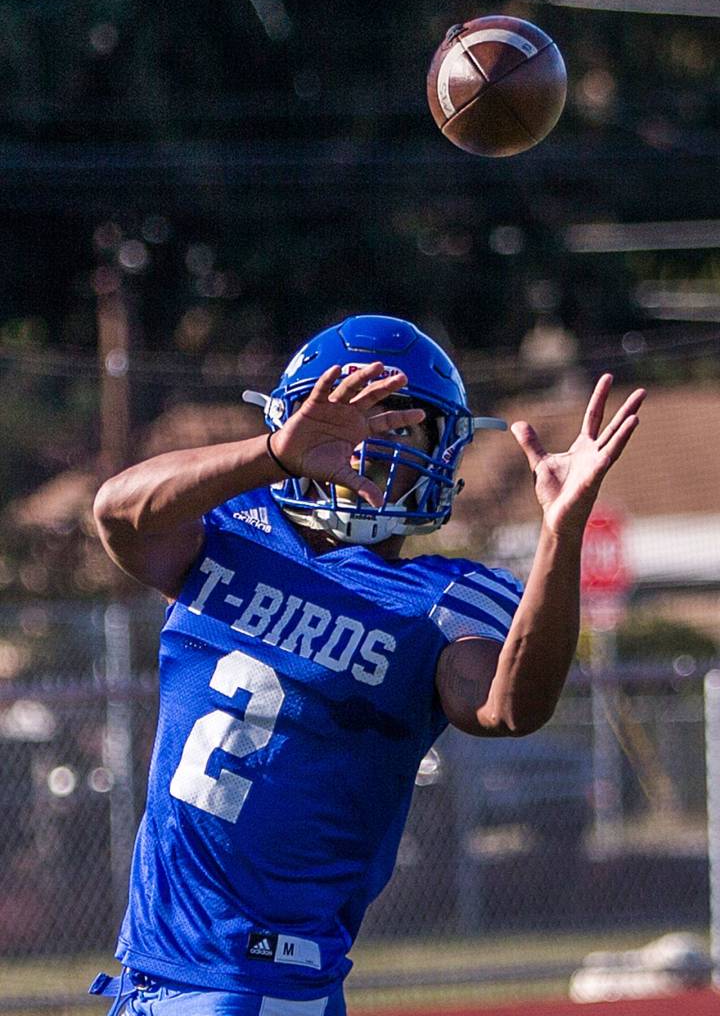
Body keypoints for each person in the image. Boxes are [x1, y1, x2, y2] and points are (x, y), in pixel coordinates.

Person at [89, 314, 645, 1015]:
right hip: (151, 971)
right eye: (352, 416)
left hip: (257, 982)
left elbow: (509, 707)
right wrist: (271, 455)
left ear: (443, 450)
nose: (371, 444)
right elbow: (115, 513)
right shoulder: (230, 529)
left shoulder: (442, 600)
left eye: (402, 426)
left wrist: (562, 536)